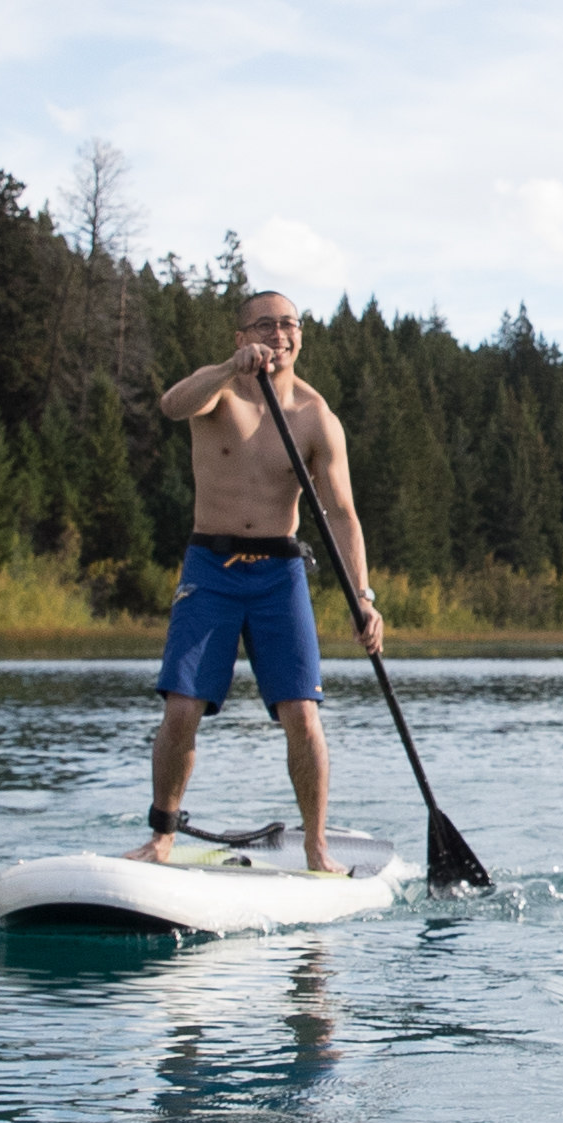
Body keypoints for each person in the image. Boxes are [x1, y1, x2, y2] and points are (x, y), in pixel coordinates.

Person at [126, 292, 388, 871]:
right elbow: (172, 405)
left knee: (302, 714)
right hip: (210, 567)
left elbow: (342, 514)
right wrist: (227, 370)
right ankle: (163, 836)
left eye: (289, 324)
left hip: (280, 571)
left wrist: (363, 597)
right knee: (181, 708)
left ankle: (317, 849)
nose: (279, 334)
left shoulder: (315, 417)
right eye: (264, 326)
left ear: (301, 335)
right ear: (241, 336)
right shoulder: (215, 389)